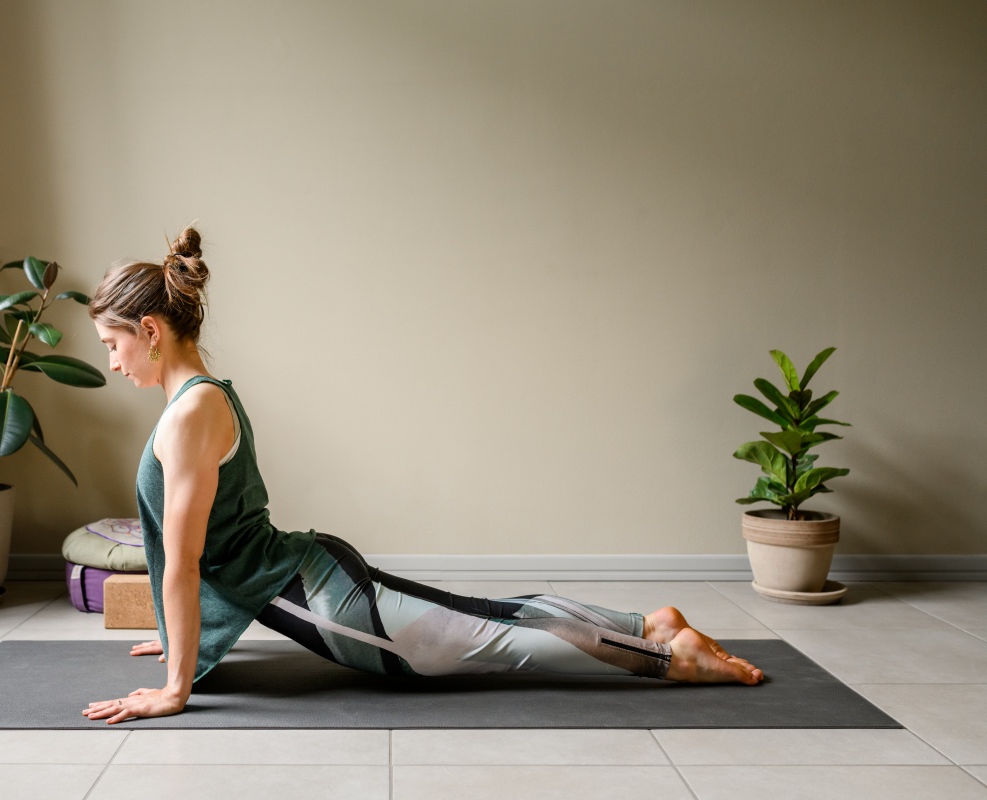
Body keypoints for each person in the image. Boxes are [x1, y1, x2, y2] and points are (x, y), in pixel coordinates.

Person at [81, 226, 764, 724]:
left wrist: (176, 685)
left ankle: (670, 659)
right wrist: (181, 638)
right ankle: (650, 623)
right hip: (311, 570)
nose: (113, 363)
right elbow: (219, 550)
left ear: (150, 329)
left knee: (489, 647)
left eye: (113, 345)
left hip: (320, 597)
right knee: (487, 615)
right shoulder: (201, 397)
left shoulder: (187, 415)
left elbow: (186, 563)